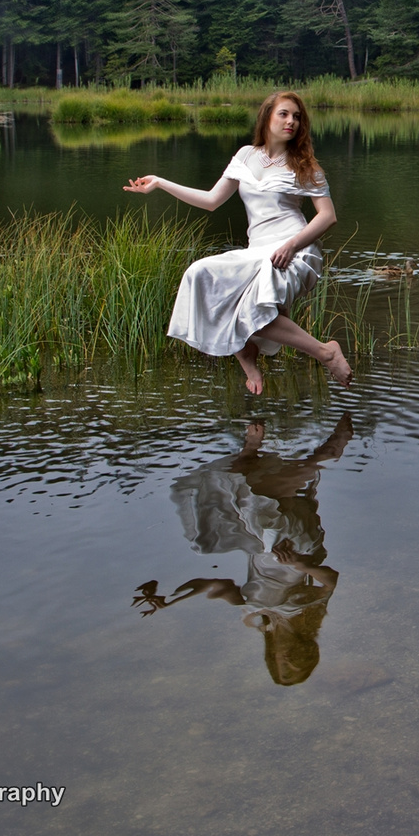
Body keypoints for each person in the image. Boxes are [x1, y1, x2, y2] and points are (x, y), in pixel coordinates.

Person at [124, 91, 353, 394]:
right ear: (267, 117)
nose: (291, 122)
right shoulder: (245, 156)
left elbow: (327, 217)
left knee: (256, 309)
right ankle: (246, 353)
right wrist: (161, 183)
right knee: (199, 274)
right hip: (256, 250)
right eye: (284, 114)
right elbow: (211, 200)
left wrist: (292, 246)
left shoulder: (305, 165)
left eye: (297, 117)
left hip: (295, 248)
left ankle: (326, 352)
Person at [134, 415, 352, 686]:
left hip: (260, 544)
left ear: (271, 658)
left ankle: (258, 451)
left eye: (281, 664)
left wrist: (172, 600)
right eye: (294, 664)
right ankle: (320, 454)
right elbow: (330, 581)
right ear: (305, 653)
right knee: (255, 502)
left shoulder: (258, 620)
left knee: (222, 511)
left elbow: (215, 586)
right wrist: (298, 563)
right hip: (294, 550)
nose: (286, 659)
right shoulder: (306, 615)